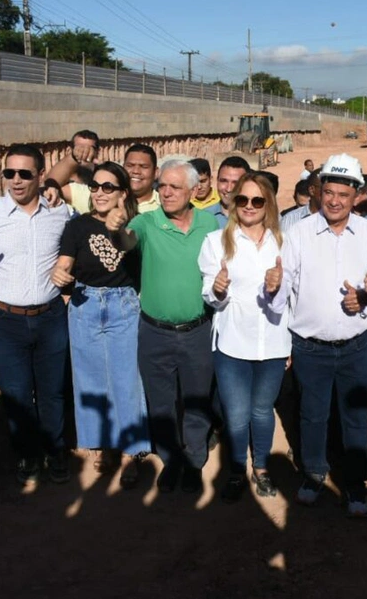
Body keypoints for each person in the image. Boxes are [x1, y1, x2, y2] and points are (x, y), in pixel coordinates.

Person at [0, 144, 73, 485]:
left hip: (50, 317)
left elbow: (83, 239)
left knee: (52, 392)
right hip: (2, 321)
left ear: (40, 175)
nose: (16, 181)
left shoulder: (59, 213)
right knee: (16, 393)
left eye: (24, 173)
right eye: (9, 173)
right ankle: (27, 454)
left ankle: (55, 451)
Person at [282, 153, 367, 517]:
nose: (335, 200)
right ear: (319, 191)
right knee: (312, 415)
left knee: (356, 416)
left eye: (344, 193)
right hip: (310, 348)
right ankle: (313, 474)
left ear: (356, 195)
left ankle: (355, 484)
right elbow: (284, 292)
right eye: (329, 192)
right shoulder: (298, 234)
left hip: (357, 346)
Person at [50, 162, 151, 489]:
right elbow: (65, 263)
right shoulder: (77, 226)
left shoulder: (136, 224)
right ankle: (104, 444)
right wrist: (59, 273)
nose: (99, 192)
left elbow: (128, 244)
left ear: (123, 193)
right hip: (85, 305)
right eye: (95, 186)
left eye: (109, 187)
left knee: (126, 380)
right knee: (91, 380)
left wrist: (116, 228)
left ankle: (129, 453)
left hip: (123, 305)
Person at [125, 159, 219, 493]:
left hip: (197, 331)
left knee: (196, 399)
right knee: (161, 403)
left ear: (194, 191)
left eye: (174, 187)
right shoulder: (146, 222)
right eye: (161, 185)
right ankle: (171, 460)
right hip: (154, 332)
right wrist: (115, 230)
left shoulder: (211, 225)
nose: (165, 192)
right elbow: (126, 241)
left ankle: (194, 462)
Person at [198, 174, 289, 502]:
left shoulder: (283, 243)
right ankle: (236, 469)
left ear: (268, 205)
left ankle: (261, 468)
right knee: (236, 413)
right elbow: (210, 292)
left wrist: (277, 287)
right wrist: (218, 289)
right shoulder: (216, 242)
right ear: (234, 203)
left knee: (263, 411)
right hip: (233, 342)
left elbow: (288, 298)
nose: (249, 207)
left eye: (257, 201)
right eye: (243, 200)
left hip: (273, 342)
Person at [49, 130, 100, 212]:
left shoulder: (103, 173)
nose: (84, 152)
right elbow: (50, 182)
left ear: (97, 152)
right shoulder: (63, 179)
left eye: (90, 149)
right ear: (70, 151)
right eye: (79, 148)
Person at [206, 156, 251, 228]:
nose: (229, 189)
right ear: (217, 181)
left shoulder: (257, 218)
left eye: (236, 183)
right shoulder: (204, 218)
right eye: (224, 181)